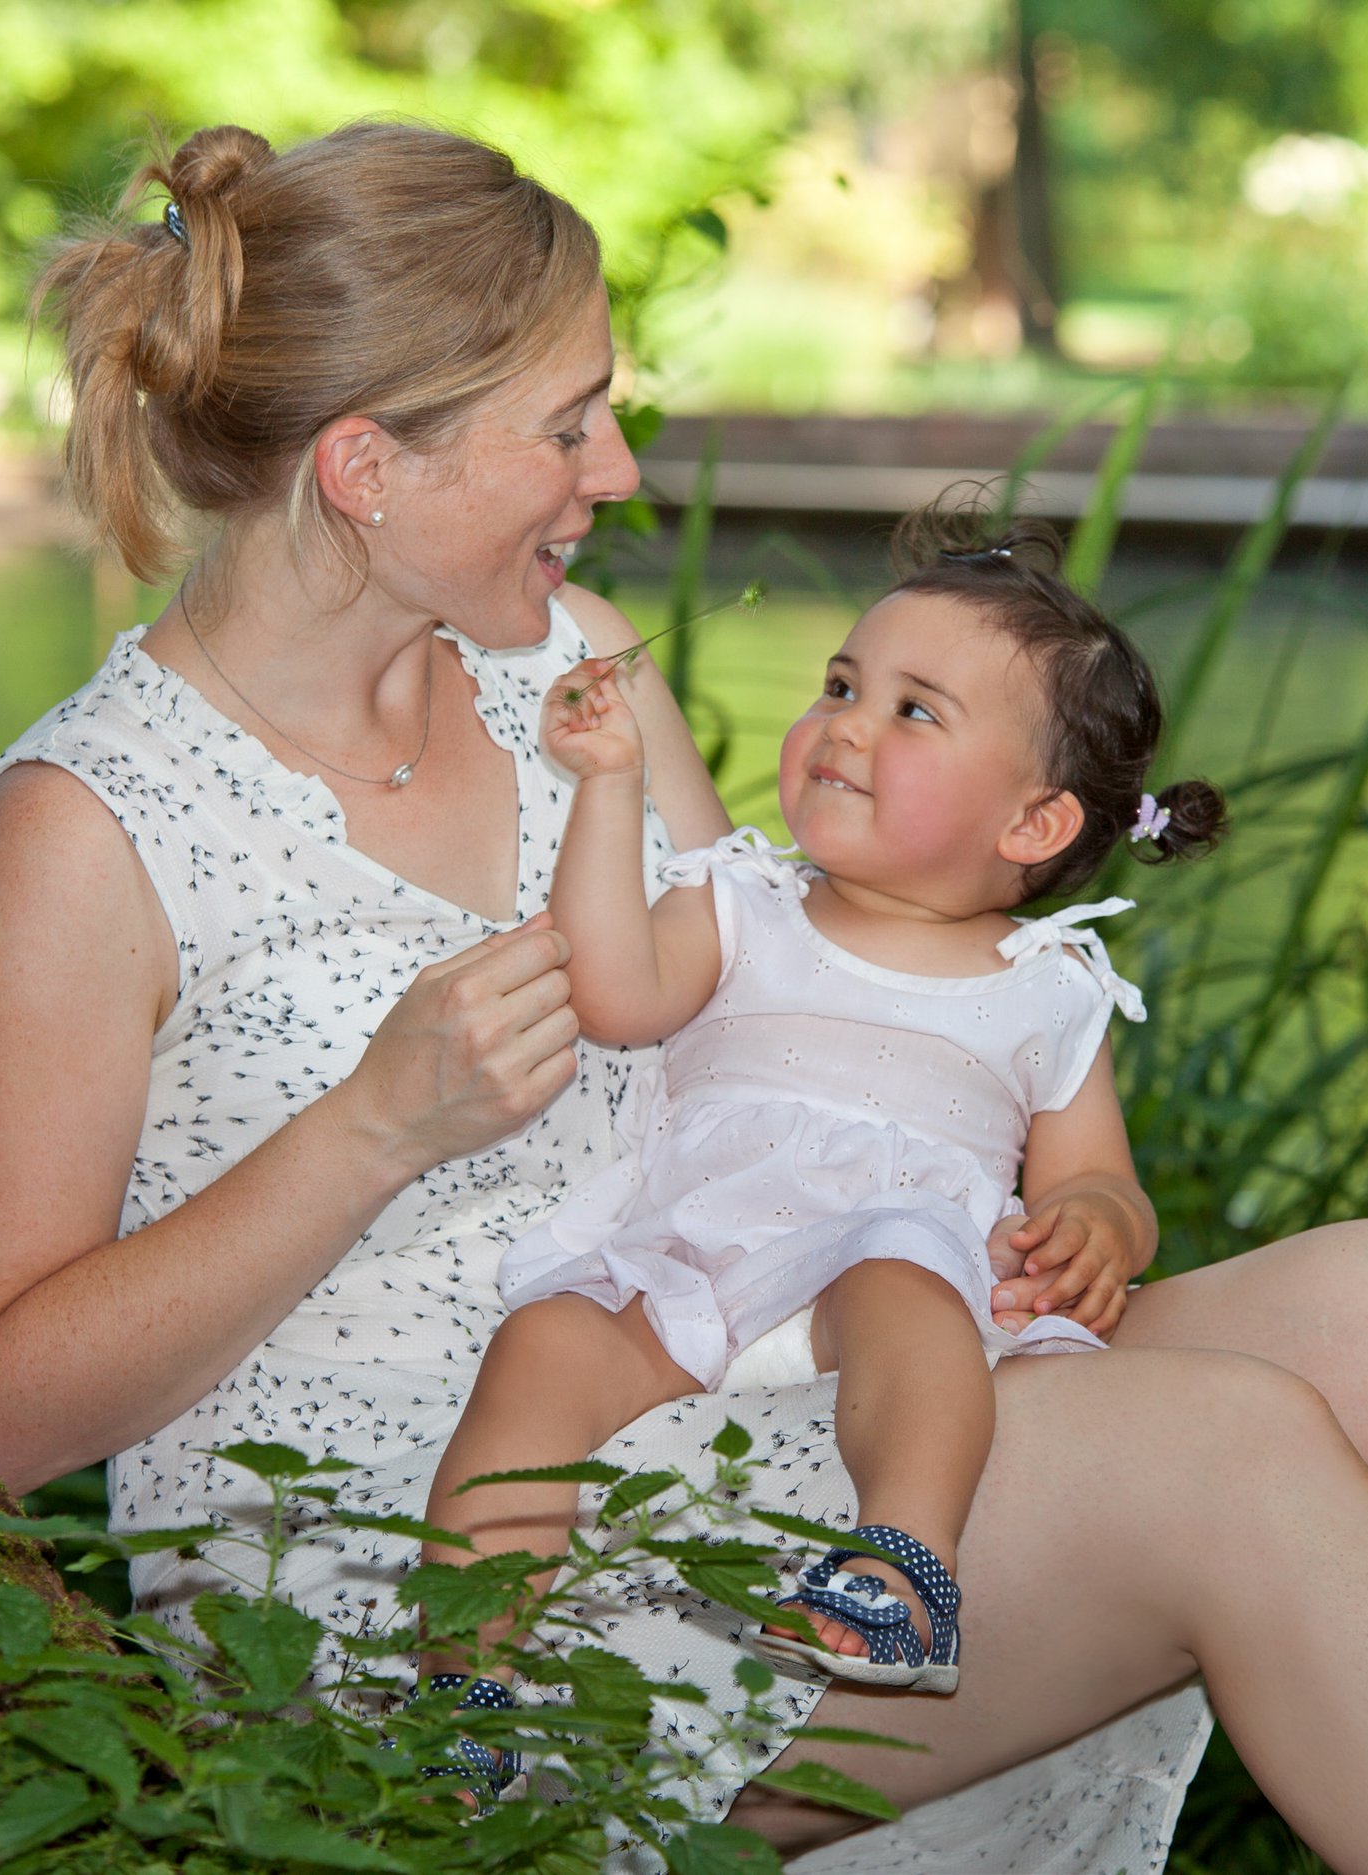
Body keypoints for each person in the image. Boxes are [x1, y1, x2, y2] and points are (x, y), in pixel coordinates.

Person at [0, 117, 1368, 1874]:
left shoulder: (570, 667)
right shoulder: (96, 822)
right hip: (444, 1580)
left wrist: (1024, 1187)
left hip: (758, 1369)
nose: (619, 468)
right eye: (570, 424)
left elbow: (797, 996)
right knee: (1227, 1458)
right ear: (364, 468)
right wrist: (361, 1138)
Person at [421, 513, 1225, 1707]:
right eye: (841, 685)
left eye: (913, 711)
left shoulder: (1050, 987)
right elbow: (614, 995)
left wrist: (1101, 1226)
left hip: (879, 1308)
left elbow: (1094, 1179)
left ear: (1032, 823)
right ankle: (464, 1682)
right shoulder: (743, 903)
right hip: (694, 1278)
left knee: (900, 1265)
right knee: (543, 1344)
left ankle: (901, 1571)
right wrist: (610, 787)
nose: (845, 722)